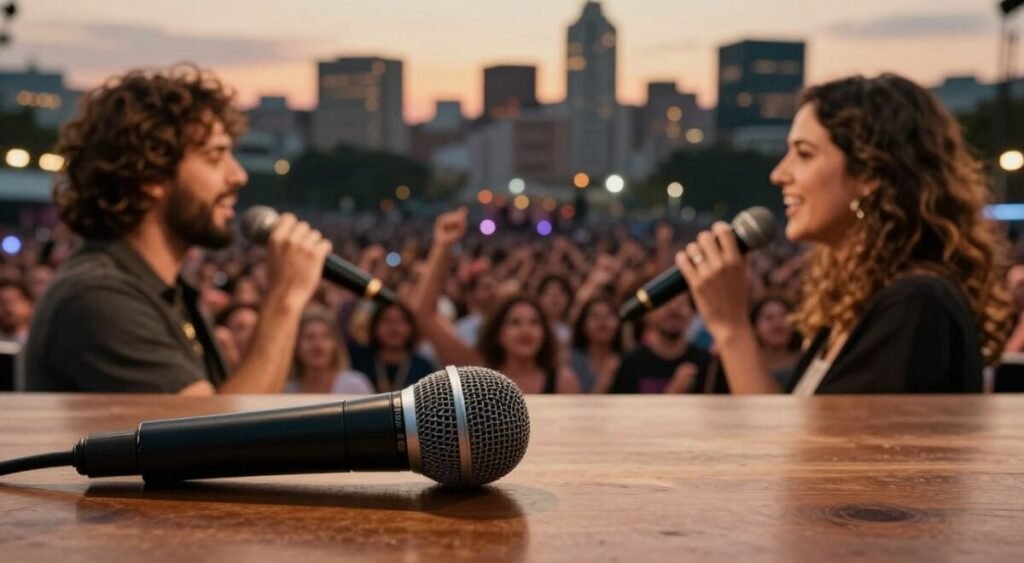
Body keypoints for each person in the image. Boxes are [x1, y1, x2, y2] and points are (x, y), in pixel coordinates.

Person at [674, 73, 1013, 394]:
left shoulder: (915, 305)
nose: (779, 174)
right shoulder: (856, 305)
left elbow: (811, 455)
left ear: (869, 172)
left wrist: (732, 328)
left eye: (804, 154)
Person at [24, 64, 331, 394]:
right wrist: (284, 297)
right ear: (151, 175)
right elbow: (223, 442)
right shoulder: (98, 298)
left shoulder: (169, 292)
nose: (238, 175)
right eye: (215, 156)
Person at [409, 208, 581, 394]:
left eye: (534, 322)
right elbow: (425, 315)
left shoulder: (564, 381)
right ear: (498, 332)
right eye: (515, 322)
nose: (526, 330)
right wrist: (442, 247)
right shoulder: (476, 370)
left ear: (546, 333)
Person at [610, 293, 714, 394]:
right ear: (649, 314)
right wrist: (673, 392)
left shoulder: (708, 364)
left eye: (681, 304)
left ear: (692, 313)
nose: (673, 308)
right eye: (665, 303)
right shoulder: (631, 364)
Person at [349, 302, 435, 393]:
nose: (394, 328)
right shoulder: (360, 361)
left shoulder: (422, 367)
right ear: (375, 326)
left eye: (401, 321)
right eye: (387, 321)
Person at [287, 308, 374, 394]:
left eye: (325, 337)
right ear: (296, 345)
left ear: (335, 343)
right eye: (309, 337)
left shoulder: (355, 385)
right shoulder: (287, 390)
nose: (318, 344)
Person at [570, 296, 624, 393]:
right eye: (594, 316)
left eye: (609, 315)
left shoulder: (629, 360)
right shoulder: (570, 362)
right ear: (583, 325)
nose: (602, 321)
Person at [749, 295, 801, 386]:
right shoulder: (745, 363)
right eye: (769, 318)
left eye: (784, 316)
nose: (777, 323)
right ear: (754, 328)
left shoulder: (806, 361)